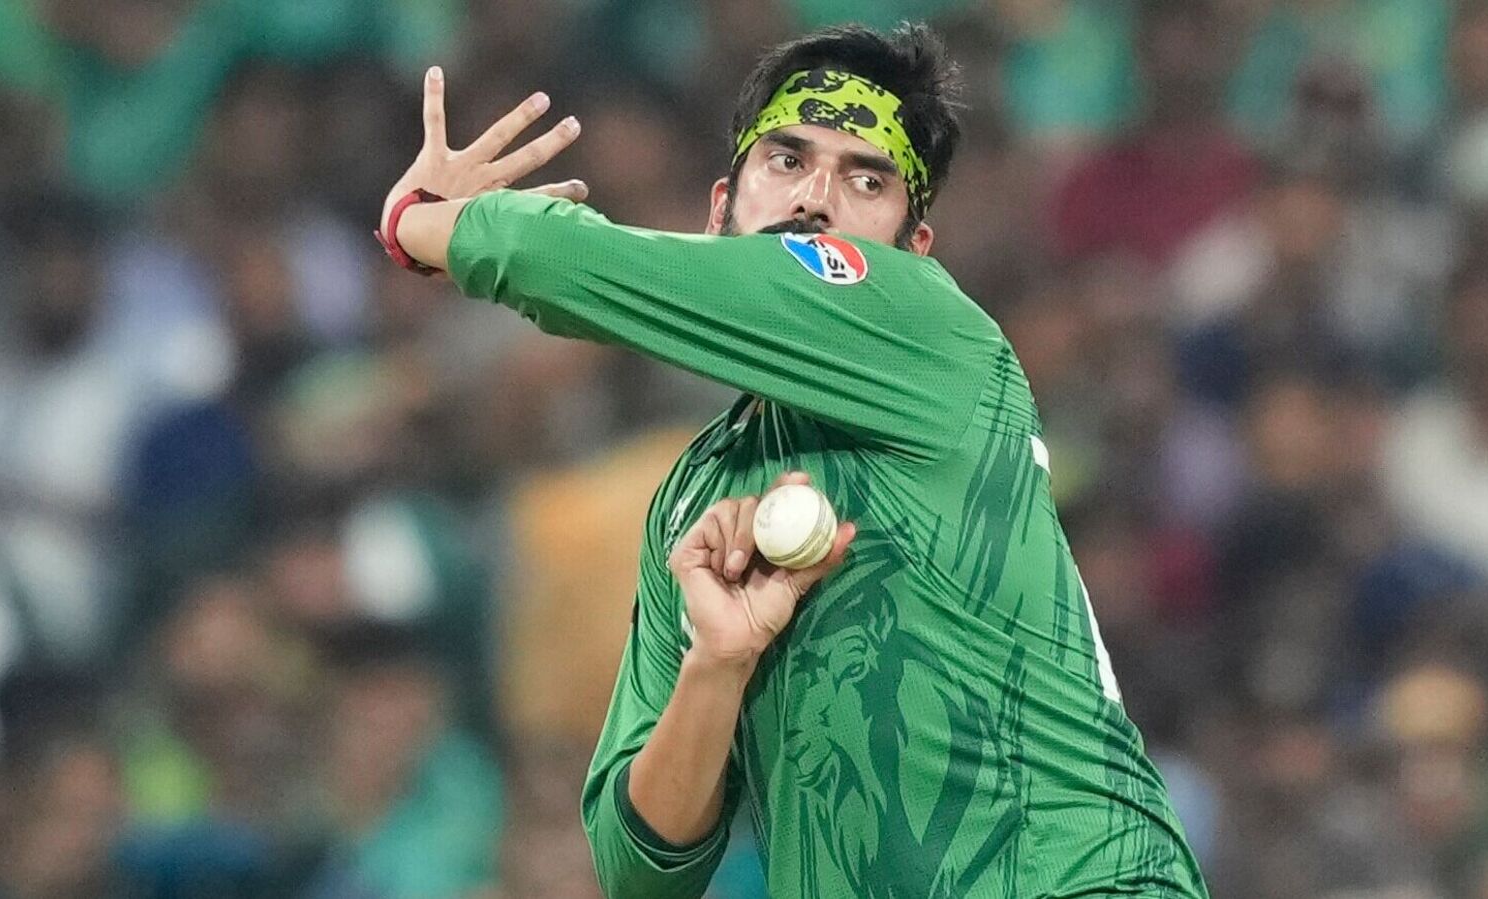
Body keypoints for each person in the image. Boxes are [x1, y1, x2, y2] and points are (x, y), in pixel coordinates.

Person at [373, 23, 1208, 898]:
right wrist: (717, 662)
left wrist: (418, 222)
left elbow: (559, 259)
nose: (816, 198)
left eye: (867, 180)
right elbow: (636, 870)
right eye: (786, 160)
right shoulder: (695, 498)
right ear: (718, 212)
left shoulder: (934, 336)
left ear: (912, 255)